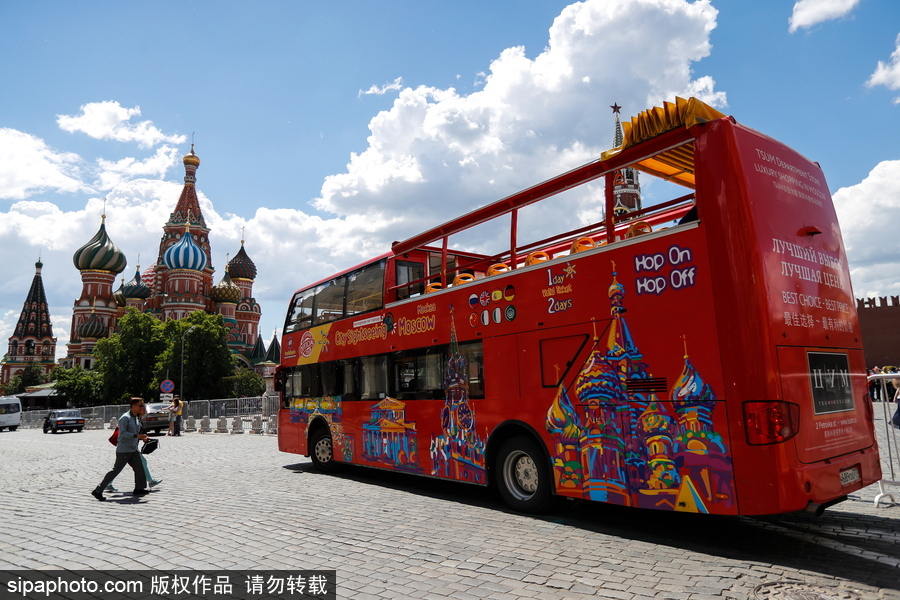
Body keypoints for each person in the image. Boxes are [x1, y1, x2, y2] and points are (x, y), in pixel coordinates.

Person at [92, 397, 150, 501]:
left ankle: (139, 488)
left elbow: (137, 433)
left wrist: (143, 438)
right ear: (133, 406)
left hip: (133, 449)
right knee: (115, 471)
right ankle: (98, 490)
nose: (142, 407)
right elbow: (122, 433)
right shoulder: (125, 418)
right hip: (124, 450)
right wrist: (137, 436)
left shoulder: (136, 417)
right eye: (140, 405)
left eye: (143, 405)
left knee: (140, 469)